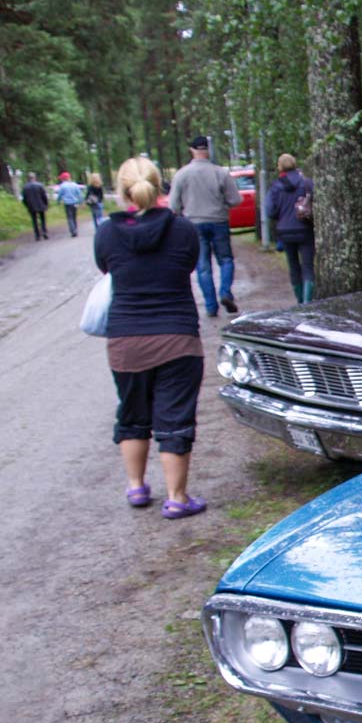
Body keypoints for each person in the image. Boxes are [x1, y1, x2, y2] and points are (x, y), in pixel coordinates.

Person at [94, 156, 207, 518]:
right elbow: (188, 265)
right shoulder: (183, 229)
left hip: (125, 340)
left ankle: (136, 487)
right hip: (178, 338)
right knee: (175, 418)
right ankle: (177, 498)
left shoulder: (106, 233)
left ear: (121, 190)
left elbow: (106, 268)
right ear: (160, 186)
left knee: (132, 414)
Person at [168, 134, 243, 317]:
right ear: (208, 150)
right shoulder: (220, 173)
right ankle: (225, 292)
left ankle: (210, 306)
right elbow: (235, 199)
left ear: (192, 150)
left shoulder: (182, 174)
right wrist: (222, 204)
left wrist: (184, 211)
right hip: (218, 221)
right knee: (225, 260)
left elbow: (173, 206)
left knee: (202, 266)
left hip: (193, 223)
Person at [264, 153, 316, 303]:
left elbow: (270, 211)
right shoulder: (307, 183)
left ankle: (299, 301)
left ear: (280, 166)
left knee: (293, 267)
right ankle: (307, 302)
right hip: (305, 229)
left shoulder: (275, 186)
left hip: (285, 231)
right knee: (308, 266)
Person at [55, 171, 85, 238]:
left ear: (63, 179)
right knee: (74, 217)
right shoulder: (75, 185)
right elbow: (79, 194)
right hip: (75, 203)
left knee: (70, 218)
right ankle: (75, 229)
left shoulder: (62, 186)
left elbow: (60, 195)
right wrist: (81, 202)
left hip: (67, 204)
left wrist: (58, 201)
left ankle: (73, 231)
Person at [20, 173, 49, 241]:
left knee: (34, 220)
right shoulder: (40, 185)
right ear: (35, 178)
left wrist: (27, 205)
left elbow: (24, 199)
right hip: (41, 205)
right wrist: (46, 204)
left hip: (31, 206)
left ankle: (37, 235)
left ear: (28, 178)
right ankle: (44, 232)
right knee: (42, 219)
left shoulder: (25, 187)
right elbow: (44, 196)